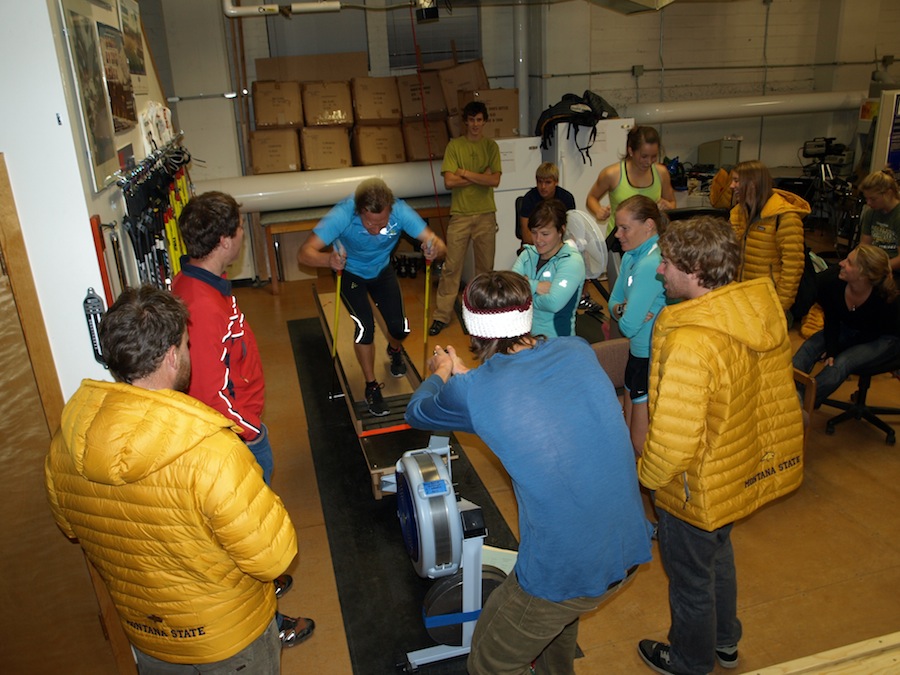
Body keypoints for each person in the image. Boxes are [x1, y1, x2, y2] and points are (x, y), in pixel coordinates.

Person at [406, 271, 653, 675]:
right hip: (625, 545)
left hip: (566, 568)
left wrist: (442, 370)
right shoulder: (575, 349)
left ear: (473, 327)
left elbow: (418, 410)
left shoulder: (474, 391)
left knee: (489, 664)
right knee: (535, 625)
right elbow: (531, 392)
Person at [44, 285, 299, 673]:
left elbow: (72, 527)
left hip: (149, 638)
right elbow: (274, 556)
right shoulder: (212, 450)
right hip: (229, 639)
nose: (188, 353)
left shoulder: (64, 446)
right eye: (186, 344)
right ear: (170, 357)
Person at [636, 216, 804, 675]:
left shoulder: (691, 341)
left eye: (666, 264)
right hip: (736, 470)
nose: (659, 272)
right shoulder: (756, 312)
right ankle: (725, 641)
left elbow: (673, 440)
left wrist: (647, 480)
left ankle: (691, 661)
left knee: (690, 580)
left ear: (694, 272)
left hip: (694, 487)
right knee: (719, 557)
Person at [172, 191, 312, 646]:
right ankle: (268, 625)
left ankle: (261, 591)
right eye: (237, 230)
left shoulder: (202, 282)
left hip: (240, 430)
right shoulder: (203, 306)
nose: (240, 237)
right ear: (225, 241)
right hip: (239, 439)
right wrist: (250, 434)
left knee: (246, 536)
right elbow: (212, 393)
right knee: (247, 541)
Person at [298, 177, 447, 416]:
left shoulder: (400, 210)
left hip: (382, 271)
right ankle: (371, 386)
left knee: (400, 329)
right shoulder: (342, 214)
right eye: (369, 223)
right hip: (350, 273)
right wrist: (328, 260)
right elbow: (304, 253)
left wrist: (434, 248)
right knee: (365, 328)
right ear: (359, 211)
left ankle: (395, 349)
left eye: (383, 223)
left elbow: (439, 244)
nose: (376, 230)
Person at [793, 244, 900, 407]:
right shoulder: (833, 281)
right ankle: (789, 393)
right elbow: (832, 318)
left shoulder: (886, 298)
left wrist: (838, 349)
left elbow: (871, 333)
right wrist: (831, 347)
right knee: (810, 347)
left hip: (883, 337)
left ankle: (800, 403)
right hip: (851, 327)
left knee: (841, 363)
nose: (841, 263)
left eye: (849, 263)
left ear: (864, 275)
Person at [429, 100, 502, 336]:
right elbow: (449, 182)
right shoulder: (454, 146)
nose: (475, 125)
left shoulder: (491, 146)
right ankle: (442, 315)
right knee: (452, 268)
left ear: (485, 121)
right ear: (465, 122)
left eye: (479, 120)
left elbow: (495, 181)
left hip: (485, 215)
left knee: (485, 270)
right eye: (471, 120)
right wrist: (481, 176)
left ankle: (481, 313)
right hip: (460, 216)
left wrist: (465, 173)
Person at [607, 195, 667, 457]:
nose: (617, 234)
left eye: (624, 228)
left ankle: (653, 492)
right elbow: (613, 303)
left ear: (649, 226)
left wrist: (625, 312)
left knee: (639, 442)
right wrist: (625, 309)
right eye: (617, 227)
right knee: (628, 431)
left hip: (651, 356)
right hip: (637, 353)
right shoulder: (632, 256)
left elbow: (628, 327)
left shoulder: (651, 262)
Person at [728, 160, 811, 316]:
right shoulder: (737, 213)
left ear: (753, 183)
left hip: (769, 302)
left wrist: (780, 305)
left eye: (737, 181)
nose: (732, 186)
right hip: (741, 297)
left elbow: (793, 268)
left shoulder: (786, 218)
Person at [511, 199, 585, 338]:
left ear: (561, 230)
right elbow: (509, 293)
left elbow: (553, 303)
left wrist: (525, 290)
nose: (538, 240)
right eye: (534, 232)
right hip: (524, 338)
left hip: (557, 342)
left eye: (545, 234)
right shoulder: (528, 254)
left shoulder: (572, 262)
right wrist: (536, 286)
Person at [585, 125, 676, 237]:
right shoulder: (612, 174)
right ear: (631, 151)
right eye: (644, 156)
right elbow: (591, 198)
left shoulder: (661, 173)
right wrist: (598, 210)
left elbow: (672, 204)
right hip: (620, 239)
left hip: (650, 239)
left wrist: (667, 205)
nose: (649, 162)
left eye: (654, 157)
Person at [517, 161, 576, 248]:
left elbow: (571, 230)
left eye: (548, 182)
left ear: (556, 182)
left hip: (559, 245)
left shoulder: (566, 198)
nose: (543, 186)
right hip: (534, 245)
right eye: (540, 182)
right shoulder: (529, 198)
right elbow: (526, 236)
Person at [858, 167, 900, 274]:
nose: (868, 203)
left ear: (888, 193)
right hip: (872, 264)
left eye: (873, 199)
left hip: (891, 269)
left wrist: (876, 270)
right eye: (866, 199)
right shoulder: (871, 213)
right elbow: (864, 245)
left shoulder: (897, 216)